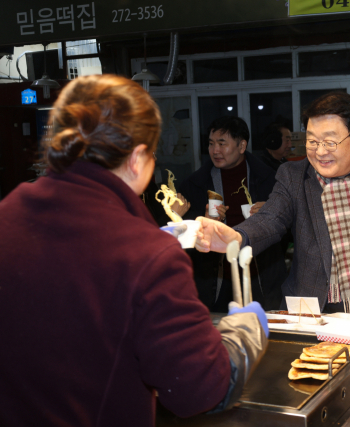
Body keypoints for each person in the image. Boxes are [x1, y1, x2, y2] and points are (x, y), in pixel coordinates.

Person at [0, 75, 268, 427]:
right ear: (138, 158)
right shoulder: (147, 255)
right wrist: (245, 332)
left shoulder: (7, 215)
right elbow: (199, 389)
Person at [194, 92, 350, 319]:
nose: (320, 152)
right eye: (312, 141)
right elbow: (271, 218)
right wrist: (237, 237)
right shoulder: (294, 176)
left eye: (329, 142)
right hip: (315, 314)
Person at [179, 116, 287, 311]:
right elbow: (183, 238)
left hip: (260, 273)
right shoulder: (195, 184)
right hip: (215, 280)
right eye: (211, 144)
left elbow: (288, 227)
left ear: (242, 145)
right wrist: (200, 221)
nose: (215, 151)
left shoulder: (271, 178)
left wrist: (271, 210)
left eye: (222, 143)